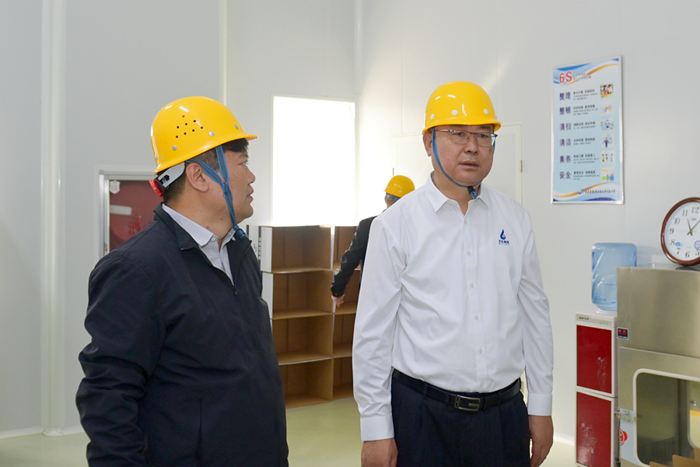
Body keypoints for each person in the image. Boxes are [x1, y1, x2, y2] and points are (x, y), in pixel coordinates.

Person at [76, 96, 288, 466]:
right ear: (199, 176)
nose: (252, 177)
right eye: (243, 164)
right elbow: (108, 397)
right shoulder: (136, 269)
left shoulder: (238, 251)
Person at [353, 81, 554, 467]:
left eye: (483, 135)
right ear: (428, 142)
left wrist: (541, 406)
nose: (472, 146)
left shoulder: (515, 219)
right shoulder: (395, 225)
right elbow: (372, 335)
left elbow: (535, 317)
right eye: (457, 133)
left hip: (503, 416)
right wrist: (376, 429)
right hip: (423, 418)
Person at [330, 175, 415, 307]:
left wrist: (337, 290)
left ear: (386, 198)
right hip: (408, 297)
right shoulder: (416, 228)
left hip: (373, 296)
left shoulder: (368, 226)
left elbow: (351, 259)